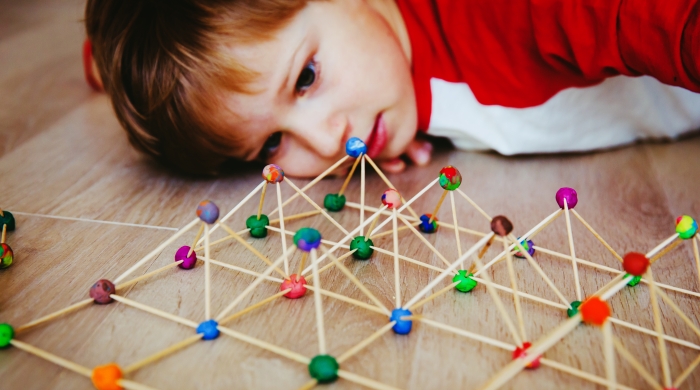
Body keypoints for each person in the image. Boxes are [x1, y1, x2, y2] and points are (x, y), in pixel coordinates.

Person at [84, 0, 700, 177]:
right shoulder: (377, 78)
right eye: (271, 146)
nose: (328, 140)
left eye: (305, 78)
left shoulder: (512, 14)